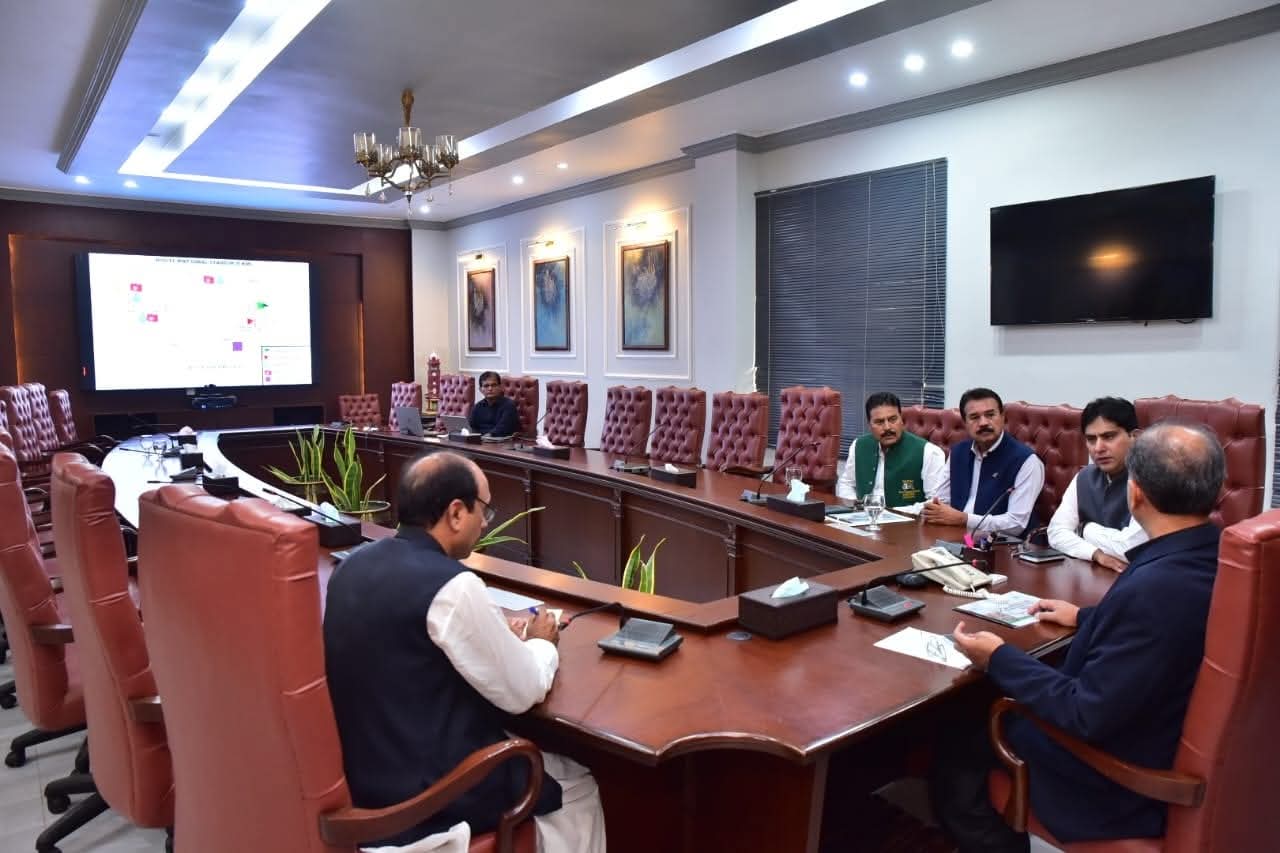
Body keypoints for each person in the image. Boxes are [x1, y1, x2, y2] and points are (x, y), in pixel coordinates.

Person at [934, 422, 1225, 852]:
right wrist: (1086, 618)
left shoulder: (1155, 589)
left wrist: (998, 657)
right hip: (1159, 727)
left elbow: (1083, 712)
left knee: (955, 739)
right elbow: (1158, 636)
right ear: (1216, 493)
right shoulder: (1213, 554)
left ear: (1135, 494)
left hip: (1110, 781)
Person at [324, 451, 606, 852]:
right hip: (426, 797)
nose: (485, 523)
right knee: (578, 786)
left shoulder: (351, 565)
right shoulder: (453, 587)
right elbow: (523, 691)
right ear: (456, 513)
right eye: (484, 510)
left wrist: (494, 636)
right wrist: (542, 640)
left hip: (361, 779)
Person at [921, 388, 1045, 536]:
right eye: (974, 417)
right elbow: (941, 500)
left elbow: (1016, 524)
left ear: (1003, 417)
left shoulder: (1026, 460)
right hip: (959, 537)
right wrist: (935, 511)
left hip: (1001, 544)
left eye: (990, 415)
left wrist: (964, 519)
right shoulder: (958, 452)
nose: (983, 423)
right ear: (965, 423)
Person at [1047, 397, 1148, 571]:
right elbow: (1056, 532)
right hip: (1093, 574)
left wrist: (1084, 529)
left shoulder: (1151, 479)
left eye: (1109, 436)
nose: (1098, 448)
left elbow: (1130, 549)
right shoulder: (1084, 477)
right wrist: (1095, 553)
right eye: (1091, 439)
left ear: (1135, 437)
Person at [835, 391, 946, 509]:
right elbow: (847, 483)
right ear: (870, 425)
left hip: (908, 519)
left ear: (901, 419)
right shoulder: (859, 445)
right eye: (879, 422)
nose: (887, 427)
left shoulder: (929, 452)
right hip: (862, 516)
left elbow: (935, 502)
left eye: (893, 419)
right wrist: (856, 506)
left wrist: (893, 514)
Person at [469, 371, 520, 437]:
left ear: (500, 387)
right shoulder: (477, 407)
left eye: (494, 385)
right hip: (479, 440)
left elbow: (503, 428)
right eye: (486, 386)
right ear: (480, 389)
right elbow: (471, 427)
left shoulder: (509, 406)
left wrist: (486, 437)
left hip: (500, 441)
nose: (490, 389)